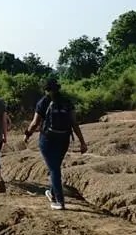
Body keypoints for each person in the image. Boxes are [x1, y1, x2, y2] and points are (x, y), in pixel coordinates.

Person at [24, 78, 88, 210]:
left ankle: (59, 201)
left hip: (47, 140)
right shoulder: (67, 101)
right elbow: (74, 123)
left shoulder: (43, 101)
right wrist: (82, 142)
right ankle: (52, 193)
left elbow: (35, 123)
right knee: (55, 168)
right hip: (63, 139)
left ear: (46, 89)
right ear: (58, 88)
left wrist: (27, 134)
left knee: (54, 169)